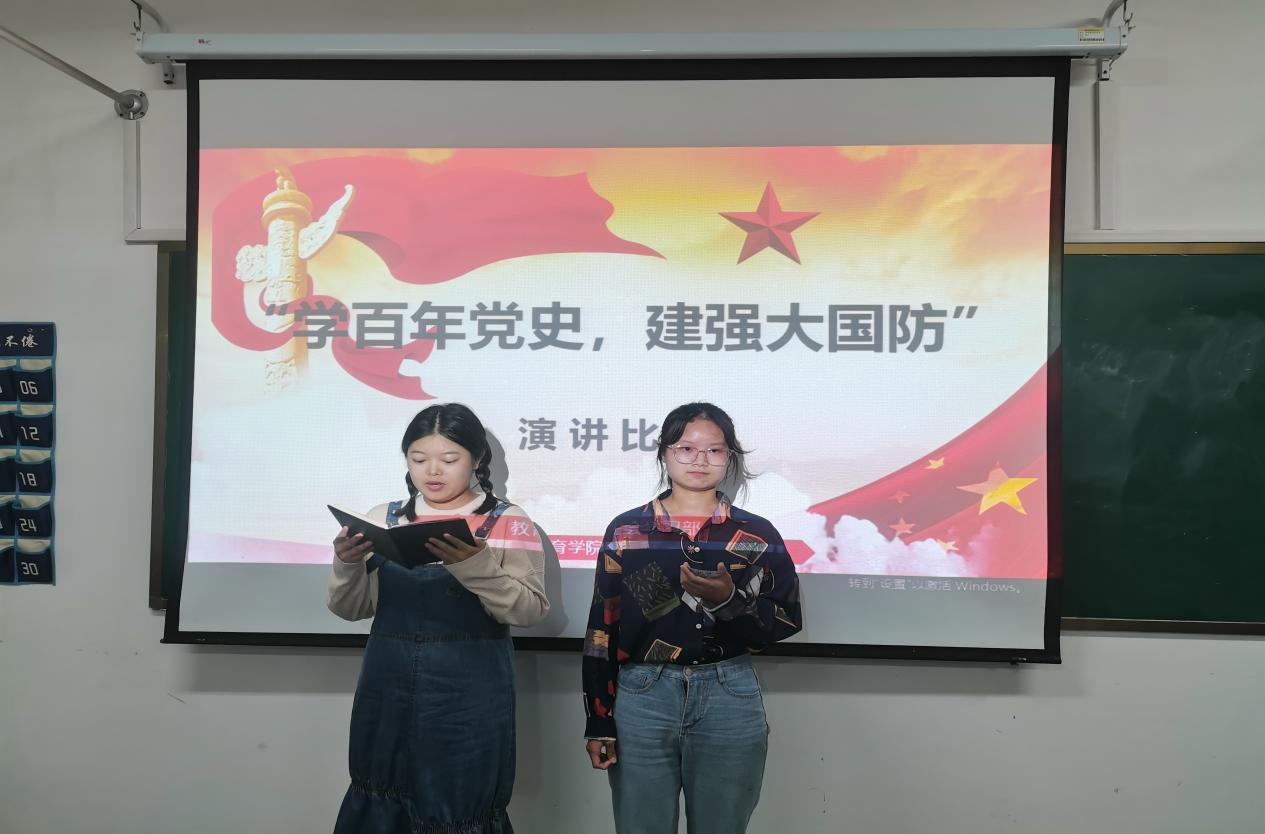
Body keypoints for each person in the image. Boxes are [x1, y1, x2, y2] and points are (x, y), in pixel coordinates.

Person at [582, 402, 803, 834]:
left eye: (715, 450)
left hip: (728, 692)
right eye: (685, 448)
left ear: (730, 458)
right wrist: (598, 717)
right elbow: (601, 629)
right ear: (664, 453)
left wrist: (729, 601)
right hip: (643, 695)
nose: (700, 460)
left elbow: (786, 619)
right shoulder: (629, 531)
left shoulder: (757, 534)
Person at [328, 403, 548, 834]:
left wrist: (474, 565)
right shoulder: (383, 518)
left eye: (449, 459)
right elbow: (350, 609)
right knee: (380, 785)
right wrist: (346, 564)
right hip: (386, 681)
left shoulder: (508, 521)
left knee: (460, 801)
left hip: (469, 689)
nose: (432, 471)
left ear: (477, 459)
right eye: (418, 459)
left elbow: (529, 610)